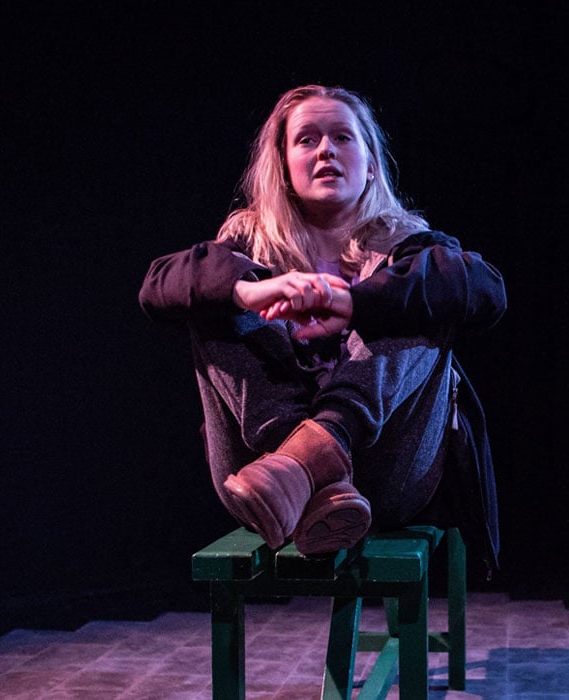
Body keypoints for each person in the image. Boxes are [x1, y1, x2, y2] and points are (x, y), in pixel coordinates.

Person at [138, 84, 506, 572]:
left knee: (423, 299)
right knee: (214, 298)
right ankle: (297, 469)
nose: (326, 150)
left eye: (343, 137)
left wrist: (356, 303)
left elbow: (488, 288)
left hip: (383, 477)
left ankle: (314, 455)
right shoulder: (246, 245)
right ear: (284, 166)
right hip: (259, 478)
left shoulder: (408, 244)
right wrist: (246, 290)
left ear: (371, 164)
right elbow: (156, 285)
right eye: (307, 139)